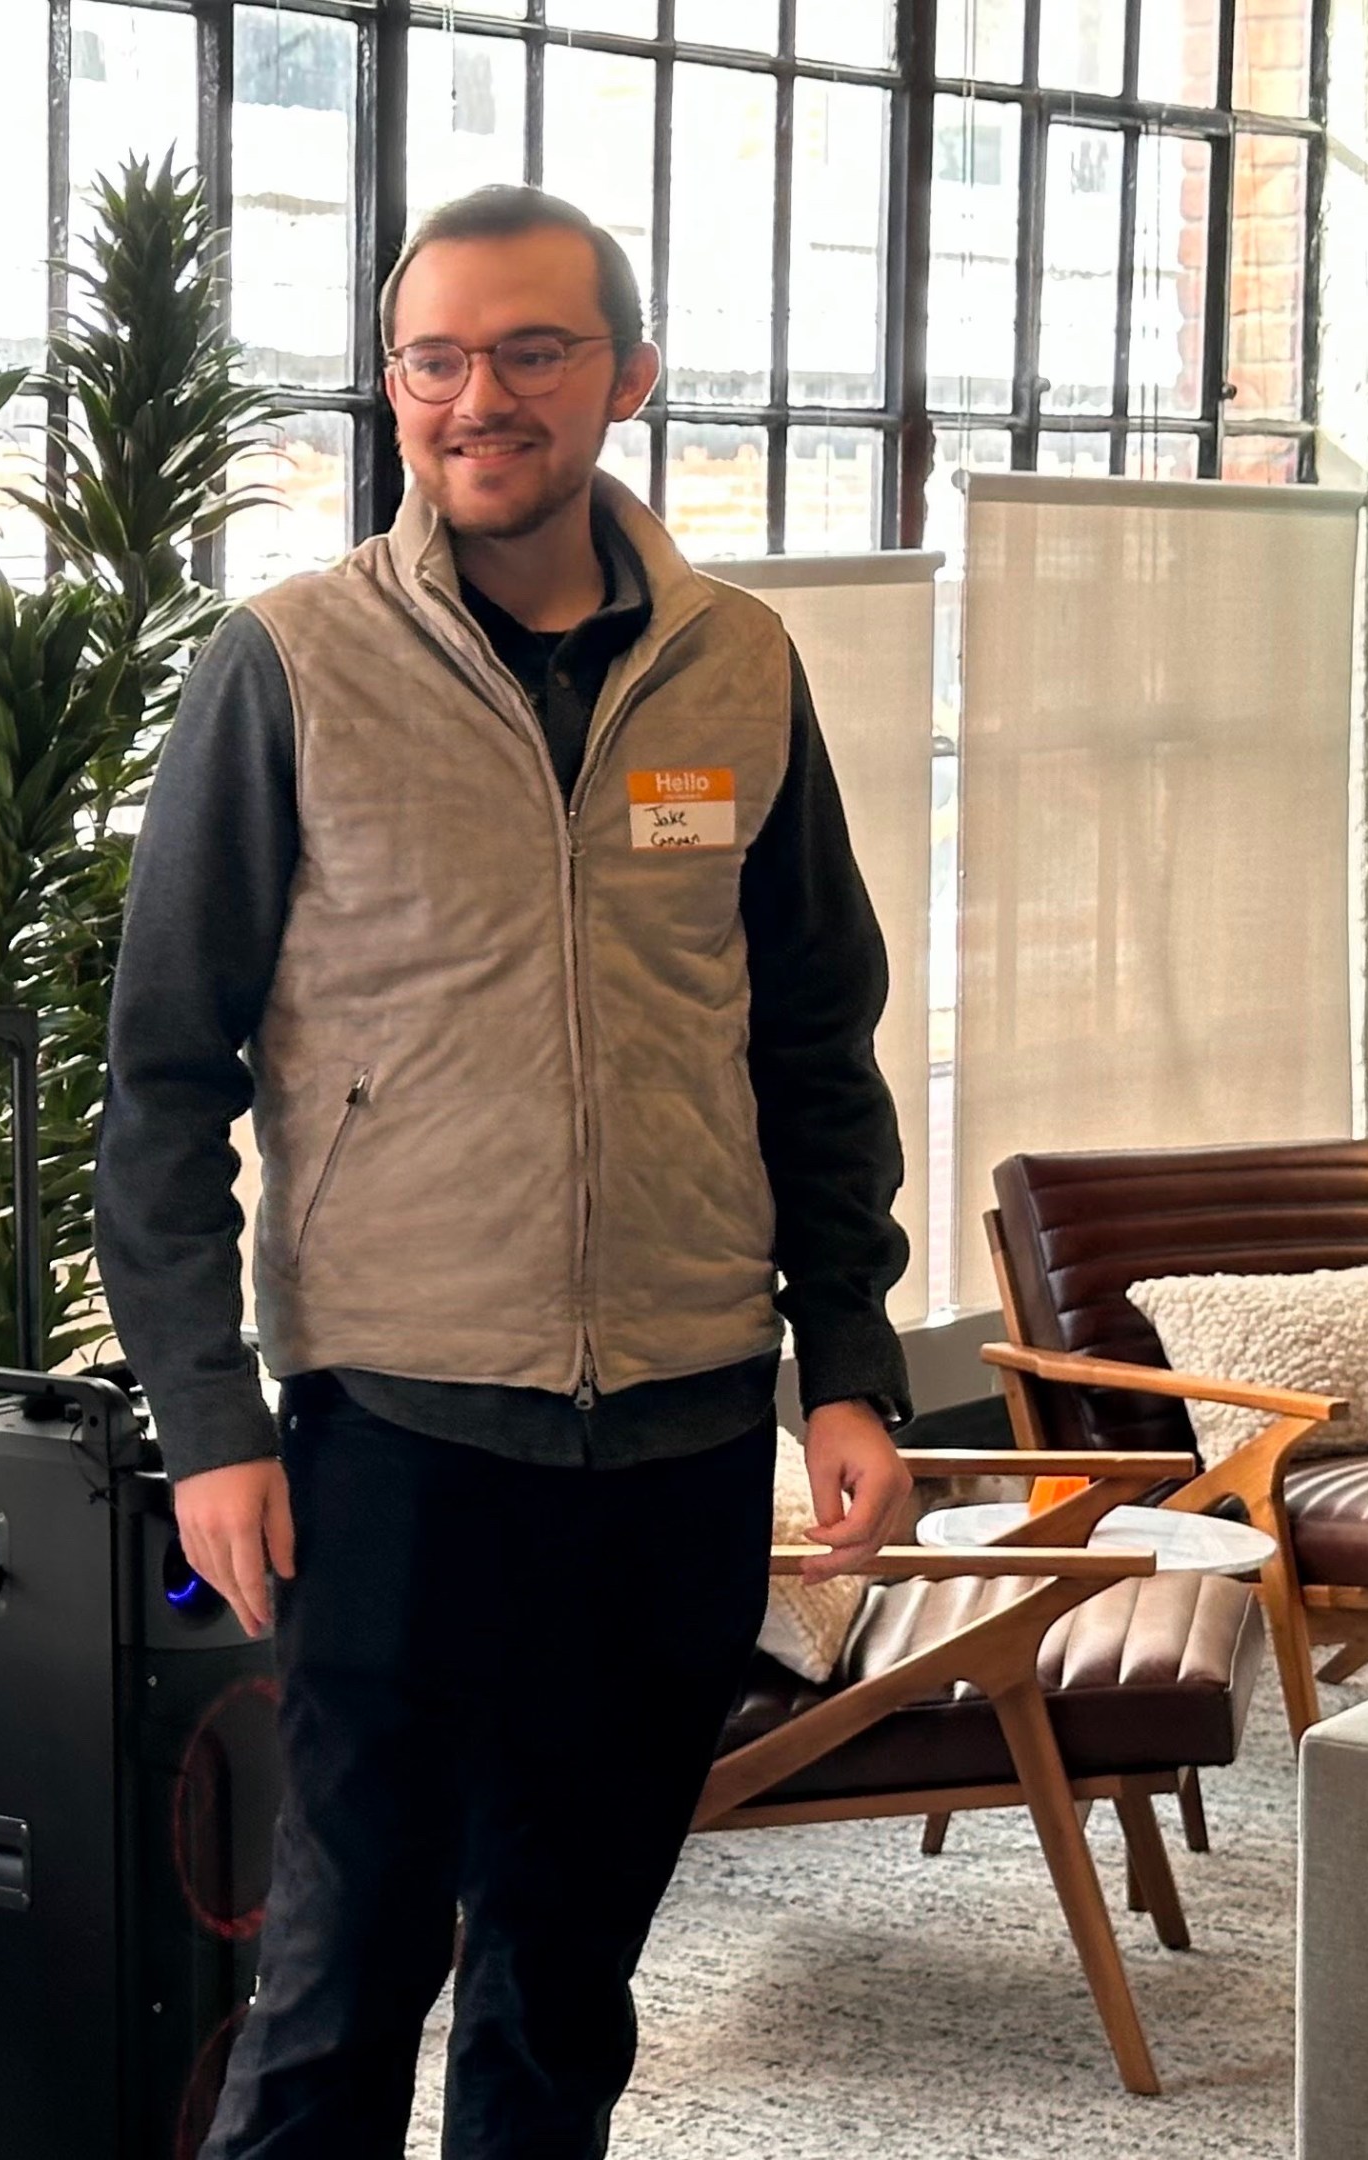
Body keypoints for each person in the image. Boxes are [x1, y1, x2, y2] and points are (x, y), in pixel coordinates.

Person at [96, 185, 915, 2158]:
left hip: (686, 1436)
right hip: (400, 1436)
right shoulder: (286, 668)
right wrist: (211, 1422)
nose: (482, 396)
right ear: (392, 390)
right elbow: (158, 1078)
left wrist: (858, 1363)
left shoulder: (739, 668)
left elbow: (812, 1041)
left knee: (568, 1983)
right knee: (347, 1976)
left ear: (629, 378)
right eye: (436, 357)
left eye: (533, 350)